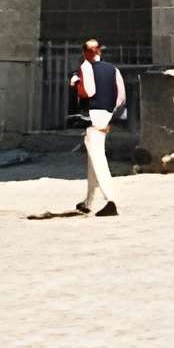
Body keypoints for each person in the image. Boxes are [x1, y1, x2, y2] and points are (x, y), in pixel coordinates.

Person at [70, 37, 126, 217]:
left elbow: (86, 92)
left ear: (84, 53)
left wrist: (75, 82)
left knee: (98, 158)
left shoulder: (84, 69)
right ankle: (89, 201)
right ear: (100, 51)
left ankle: (111, 201)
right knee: (93, 157)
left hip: (93, 115)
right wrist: (112, 117)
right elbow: (121, 97)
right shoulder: (113, 69)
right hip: (107, 114)